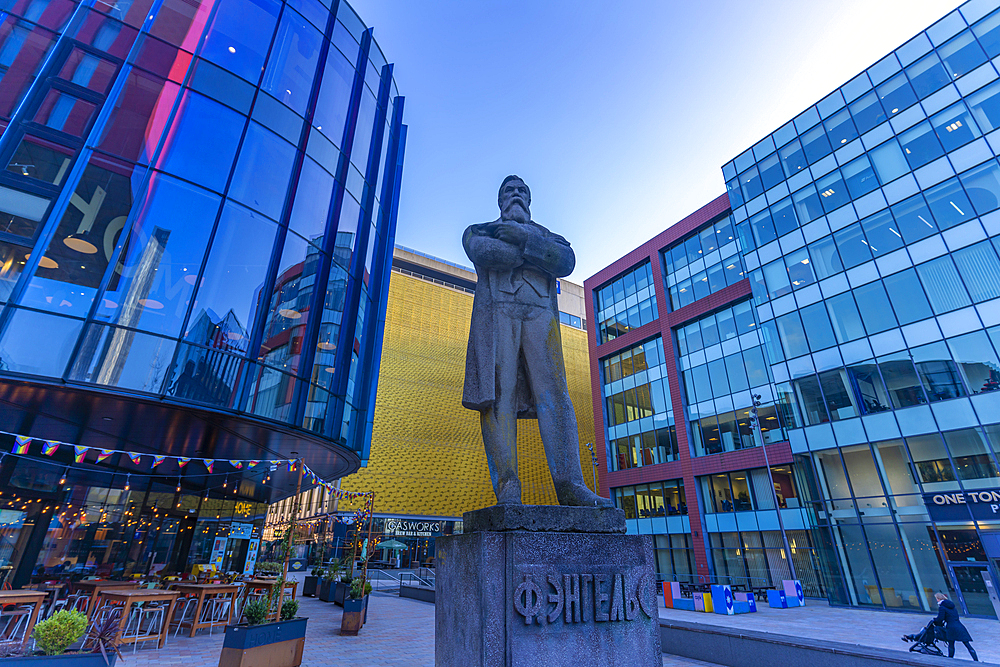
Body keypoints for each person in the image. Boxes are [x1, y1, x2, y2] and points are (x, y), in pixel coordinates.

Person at [462, 176, 610, 507]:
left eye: (522, 191)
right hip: (499, 315)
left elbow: (565, 262)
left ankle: (571, 485)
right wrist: (536, 253)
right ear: (500, 201)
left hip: (541, 317)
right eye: (509, 191)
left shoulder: (547, 236)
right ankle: (508, 487)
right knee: (500, 396)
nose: (516, 195)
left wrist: (525, 239)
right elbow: (490, 254)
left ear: (530, 201)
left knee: (556, 396)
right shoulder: (479, 230)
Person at [933, 592, 978, 661]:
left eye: (936, 598)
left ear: (938, 599)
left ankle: (950, 659)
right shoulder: (952, 606)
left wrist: (935, 620)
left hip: (951, 627)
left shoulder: (942, 607)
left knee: (951, 644)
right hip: (959, 625)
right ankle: (976, 660)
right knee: (967, 644)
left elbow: (940, 619)